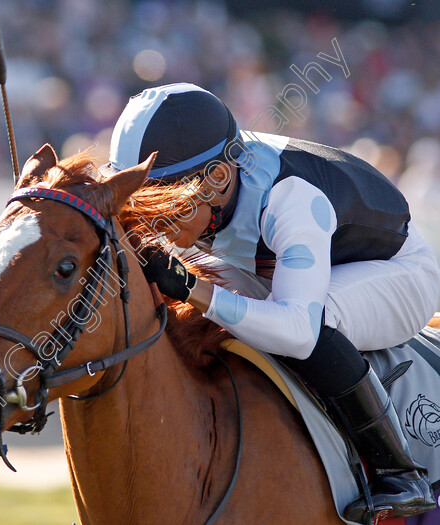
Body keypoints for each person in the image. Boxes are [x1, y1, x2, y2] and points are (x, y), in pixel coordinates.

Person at [108, 82, 440, 521]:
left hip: (398, 273)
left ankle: (398, 471)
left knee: (315, 321)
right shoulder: (212, 184)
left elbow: (298, 331)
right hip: (299, 261)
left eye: (161, 205)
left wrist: (193, 288)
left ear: (219, 177)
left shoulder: (291, 199)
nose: (149, 221)